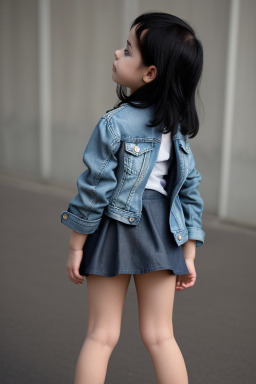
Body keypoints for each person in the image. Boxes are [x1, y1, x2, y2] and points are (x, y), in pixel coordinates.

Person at [60, 11, 205, 384]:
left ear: (150, 73)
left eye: (127, 50)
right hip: (161, 234)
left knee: (100, 335)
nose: (116, 53)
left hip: (113, 230)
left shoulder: (114, 124)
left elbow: (94, 191)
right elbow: (188, 190)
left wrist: (77, 244)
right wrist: (187, 251)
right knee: (161, 336)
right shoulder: (177, 130)